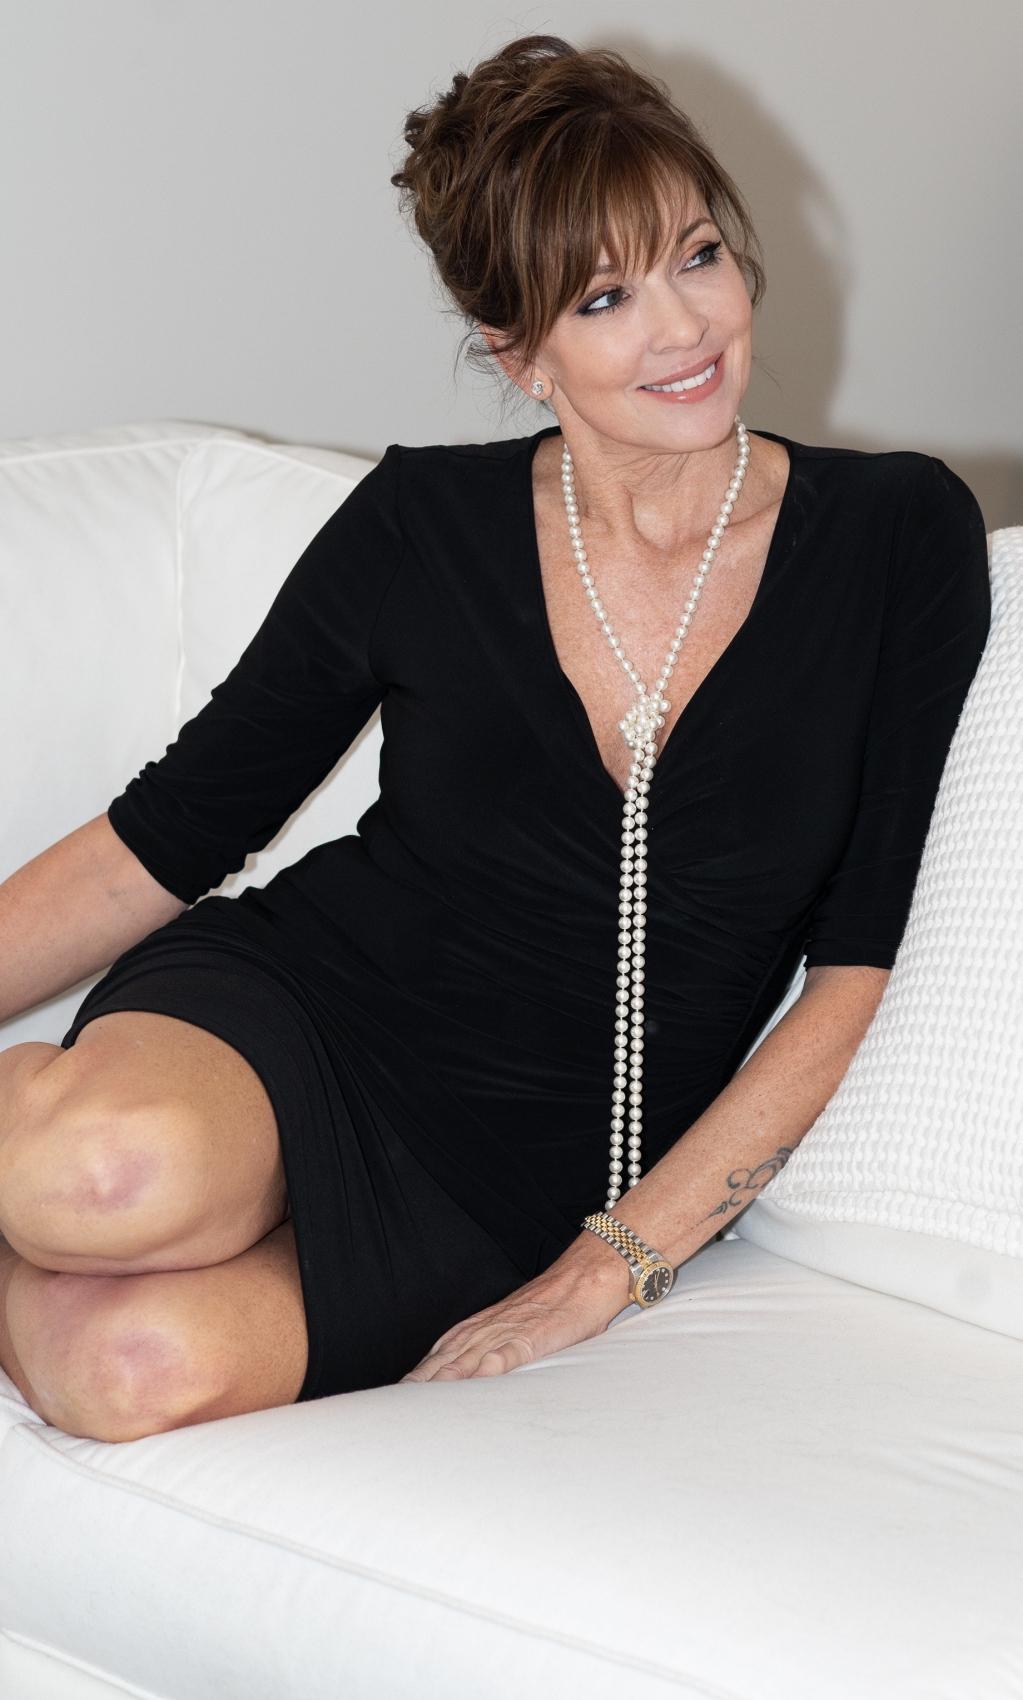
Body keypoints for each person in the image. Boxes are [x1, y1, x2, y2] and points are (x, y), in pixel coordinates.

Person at [0, 34, 991, 1440]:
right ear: (520, 356)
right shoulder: (424, 525)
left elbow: (857, 966)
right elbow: (161, 839)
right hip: (312, 1011)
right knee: (102, 1179)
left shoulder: (899, 536)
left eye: (698, 255)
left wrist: (601, 1271)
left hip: (523, 1175)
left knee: (129, 1375)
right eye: (606, 296)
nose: (683, 328)